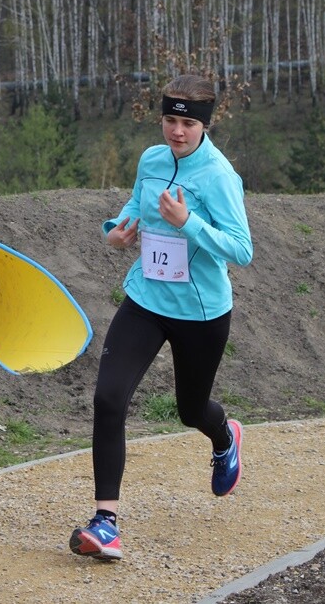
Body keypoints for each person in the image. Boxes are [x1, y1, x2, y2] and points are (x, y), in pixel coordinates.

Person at [69, 73, 253, 561]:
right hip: (146, 300)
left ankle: (224, 435)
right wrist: (115, 230)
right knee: (108, 398)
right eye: (170, 120)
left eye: (187, 124)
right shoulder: (151, 160)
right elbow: (134, 208)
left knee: (191, 410)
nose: (177, 131)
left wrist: (188, 223)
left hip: (200, 313)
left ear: (205, 125)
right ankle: (106, 523)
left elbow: (242, 249)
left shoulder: (219, 176)